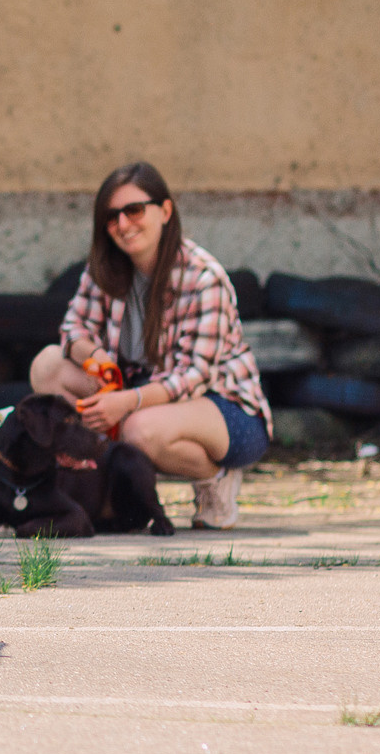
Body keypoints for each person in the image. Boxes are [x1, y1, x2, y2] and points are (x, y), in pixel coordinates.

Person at [30, 162, 273, 530]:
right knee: (46, 366)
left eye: (134, 210)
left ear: (165, 210)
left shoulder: (203, 278)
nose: (123, 225)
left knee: (139, 430)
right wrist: (97, 361)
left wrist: (124, 402)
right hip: (138, 390)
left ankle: (215, 482)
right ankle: (104, 484)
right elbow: (73, 328)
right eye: (112, 217)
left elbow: (194, 375)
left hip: (226, 409)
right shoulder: (105, 269)